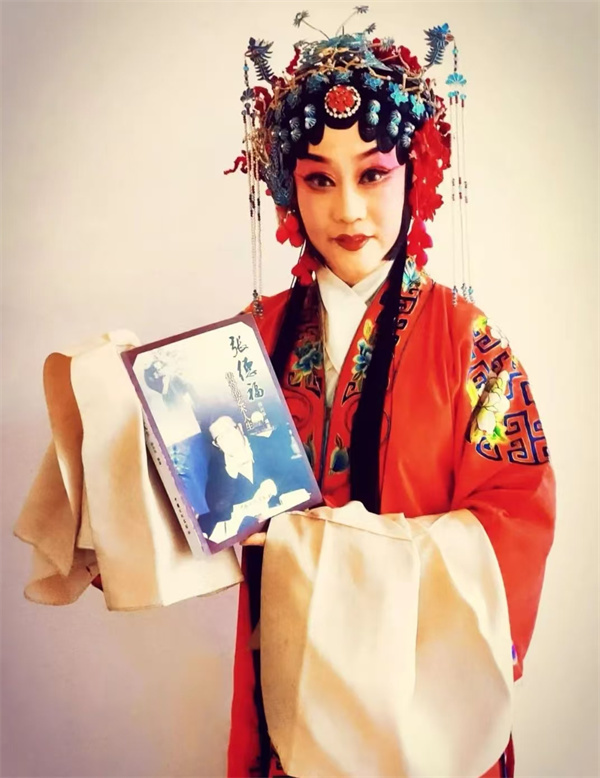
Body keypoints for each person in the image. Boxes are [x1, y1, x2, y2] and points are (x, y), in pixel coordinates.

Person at [224, 10, 555, 778]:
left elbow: (515, 518)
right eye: (319, 178)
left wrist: (338, 549)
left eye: (373, 174)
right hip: (288, 687)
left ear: (418, 172)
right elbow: (205, 506)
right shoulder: (253, 340)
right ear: (287, 186)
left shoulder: (472, 346)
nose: (347, 209)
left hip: (421, 701)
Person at [203, 414, 309, 541]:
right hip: (255, 536)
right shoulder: (217, 468)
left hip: (290, 521)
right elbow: (219, 511)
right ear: (217, 445)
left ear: (240, 428)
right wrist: (230, 477)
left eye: (229, 430)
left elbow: (295, 475)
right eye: (220, 437)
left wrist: (274, 485)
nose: (228, 439)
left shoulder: (266, 445)